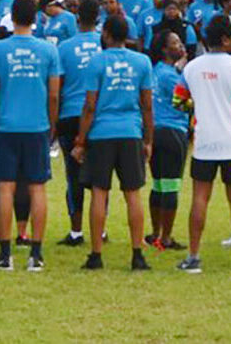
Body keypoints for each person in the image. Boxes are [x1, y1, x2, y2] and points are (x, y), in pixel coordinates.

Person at [172, 14, 231, 273]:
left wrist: (196, 103)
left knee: (200, 197)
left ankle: (193, 256)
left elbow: (178, 102)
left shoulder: (191, 67)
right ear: (224, 39)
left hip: (204, 142)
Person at [0, 0, 61, 272]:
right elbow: (53, 95)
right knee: (37, 187)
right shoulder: (49, 51)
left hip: (5, 126)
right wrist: (52, 126)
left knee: (5, 187)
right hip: (37, 126)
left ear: (12, 18)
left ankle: (5, 254)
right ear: (37, 18)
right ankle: (35, 254)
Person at [73, 14, 154, 271]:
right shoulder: (142, 62)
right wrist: (148, 139)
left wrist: (81, 140)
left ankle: (96, 254)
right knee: (133, 194)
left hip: (101, 134)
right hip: (131, 131)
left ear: (106, 34)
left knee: (99, 193)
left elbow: (89, 106)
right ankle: (137, 253)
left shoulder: (96, 62)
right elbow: (148, 106)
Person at [54, 0, 103, 248]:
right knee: (99, 177)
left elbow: (58, 85)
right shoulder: (104, 46)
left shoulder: (64, 47)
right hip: (98, 116)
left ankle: (76, 231)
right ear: (98, 18)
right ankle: (99, 229)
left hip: (70, 115)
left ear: (76, 18)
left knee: (73, 176)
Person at [146, 28, 189, 251]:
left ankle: (155, 232)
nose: (180, 45)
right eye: (175, 42)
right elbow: (185, 101)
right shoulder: (172, 76)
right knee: (171, 185)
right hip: (173, 131)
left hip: (155, 131)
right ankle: (166, 237)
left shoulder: (156, 71)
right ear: (164, 49)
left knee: (158, 184)